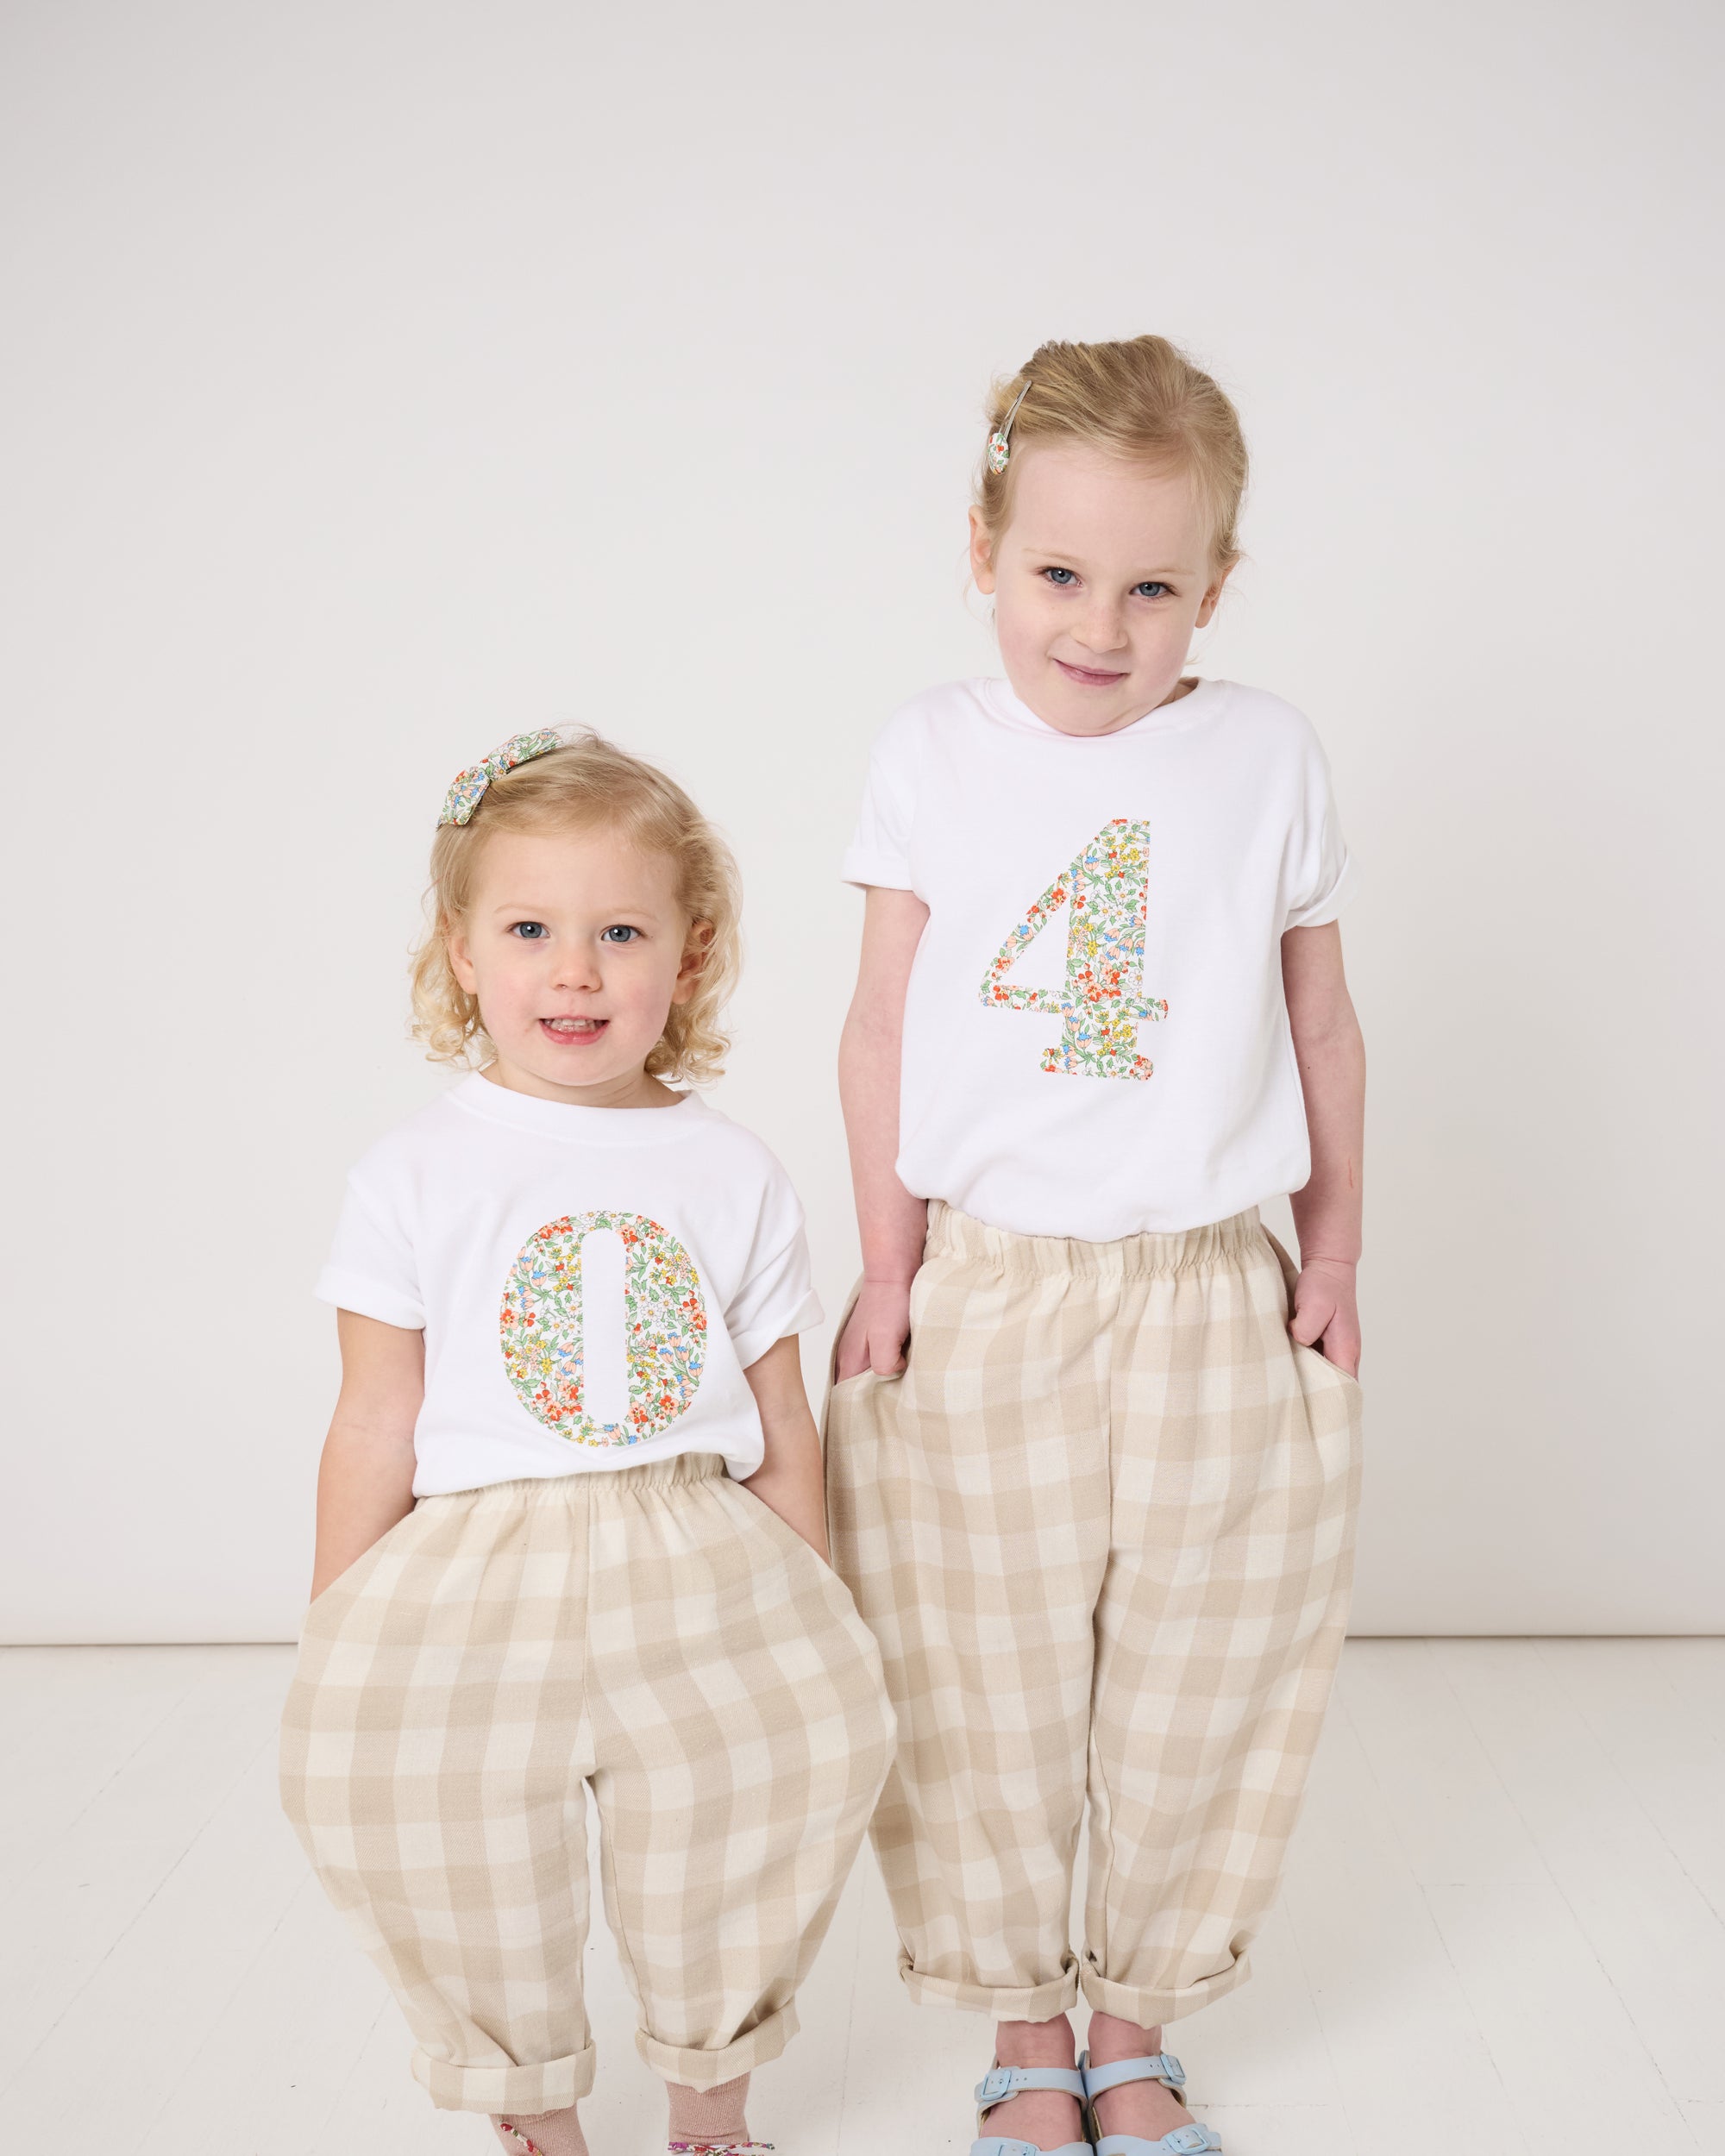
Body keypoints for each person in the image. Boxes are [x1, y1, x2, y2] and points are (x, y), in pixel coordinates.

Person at [826, 335, 1365, 2156]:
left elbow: (1321, 1024)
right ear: (981, 549)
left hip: (1207, 1277)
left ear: (1215, 583)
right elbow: (882, 1026)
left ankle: (1132, 2019)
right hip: (989, 1280)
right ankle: (1018, 2019)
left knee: (1201, 1661)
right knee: (977, 1661)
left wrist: (1334, 1249)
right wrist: (889, 1263)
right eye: (1059, 572)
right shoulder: (931, 751)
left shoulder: (1263, 753)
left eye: (1153, 583)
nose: (1101, 622)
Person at [279, 729, 895, 2156]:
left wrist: (812, 1587)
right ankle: (533, 2117)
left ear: (688, 958)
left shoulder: (730, 1168)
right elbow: (375, 1410)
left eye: (621, 931)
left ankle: (711, 2108)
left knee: (739, 1817)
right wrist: (339, 1616)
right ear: (462, 951)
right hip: (478, 1558)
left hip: (696, 1543)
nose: (575, 969)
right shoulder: (415, 1173)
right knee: (462, 1845)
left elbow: (781, 1409)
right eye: (532, 930)